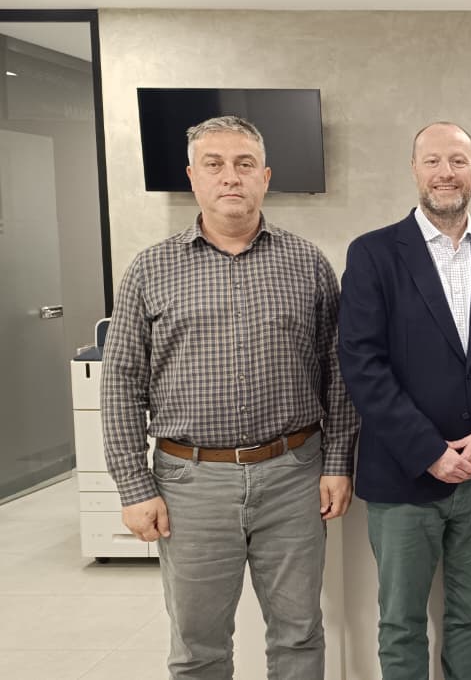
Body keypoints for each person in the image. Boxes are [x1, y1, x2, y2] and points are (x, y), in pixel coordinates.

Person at [101, 115, 358, 678]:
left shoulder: (309, 264)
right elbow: (120, 381)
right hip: (190, 484)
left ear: (265, 177)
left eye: (244, 165)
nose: (230, 177)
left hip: (293, 475)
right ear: (192, 177)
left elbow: (338, 372)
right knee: (199, 647)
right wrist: (133, 485)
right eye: (214, 165)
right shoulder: (149, 269)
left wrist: (338, 461)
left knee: (298, 635)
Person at [338, 122, 471, 680]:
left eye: (457, 161)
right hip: (404, 474)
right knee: (401, 621)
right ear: (414, 170)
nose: (445, 173)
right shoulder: (373, 253)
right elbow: (362, 363)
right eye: (432, 161)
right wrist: (429, 450)